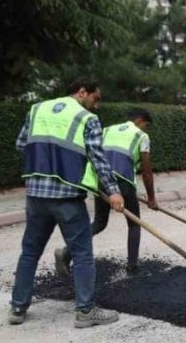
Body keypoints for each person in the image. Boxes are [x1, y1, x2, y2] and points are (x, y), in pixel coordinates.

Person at [9, 79, 124, 328]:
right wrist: (114, 191)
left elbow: (21, 145)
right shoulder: (87, 119)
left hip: (36, 195)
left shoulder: (37, 109)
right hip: (67, 197)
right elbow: (98, 159)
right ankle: (85, 311)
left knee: (30, 251)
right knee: (82, 253)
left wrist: (46, 161)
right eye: (95, 98)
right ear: (82, 92)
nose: (96, 105)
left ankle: (18, 307)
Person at [57, 108, 158, 275]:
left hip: (102, 180)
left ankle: (66, 252)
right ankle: (132, 268)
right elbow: (146, 171)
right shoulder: (141, 136)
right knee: (134, 224)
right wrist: (152, 199)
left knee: (99, 223)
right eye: (146, 125)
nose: (145, 129)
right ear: (140, 120)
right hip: (123, 181)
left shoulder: (107, 130)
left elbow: (93, 153)